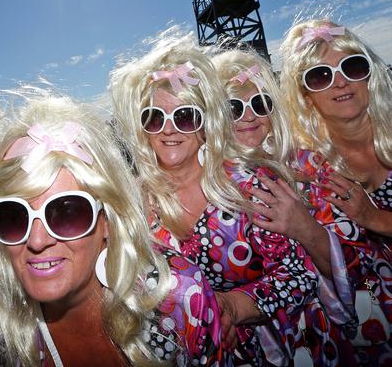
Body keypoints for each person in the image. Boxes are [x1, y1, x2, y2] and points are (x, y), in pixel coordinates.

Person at [0, 95, 226, 366]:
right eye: (13, 216)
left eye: (67, 213)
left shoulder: (179, 300)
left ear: (108, 220)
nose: (37, 240)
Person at [109, 36, 321, 366]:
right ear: (142, 128)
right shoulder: (131, 206)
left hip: (275, 350)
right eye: (154, 117)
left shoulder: (249, 185)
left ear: (207, 122)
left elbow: (299, 275)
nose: (168, 129)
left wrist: (236, 307)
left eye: (185, 116)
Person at [279, 20, 392, 363]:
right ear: (306, 96)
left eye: (351, 66)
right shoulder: (308, 168)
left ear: (369, 74)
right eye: (319, 76)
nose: (340, 81)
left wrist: (373, 217)